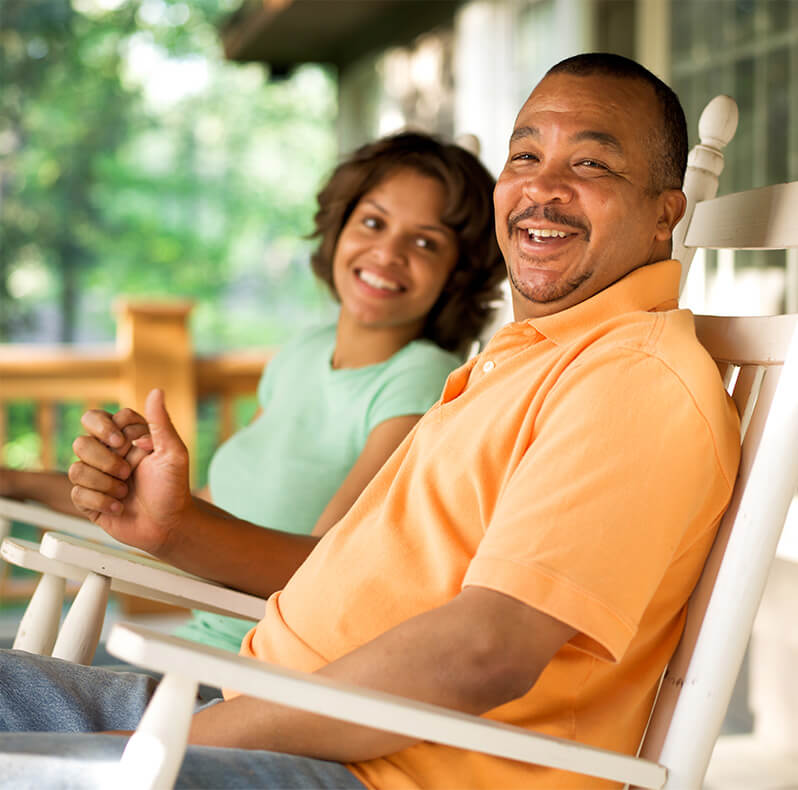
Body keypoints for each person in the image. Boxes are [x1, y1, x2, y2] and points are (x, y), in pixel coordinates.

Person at [0, 53, 741, 790]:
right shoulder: (523, 362)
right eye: (525, 155)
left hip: (382, 771)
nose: (542, 187)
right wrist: (171, 527)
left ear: (663, 215)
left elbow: (487, 651)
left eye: (592, 164)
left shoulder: (631, 379)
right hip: (266, 710)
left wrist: (158, 744)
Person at [0, 132, 505, 654]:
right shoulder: (304, 353)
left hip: (253, 673)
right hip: (193, 649)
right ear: (339, 229)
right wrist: (21, 482)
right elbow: (203, 509)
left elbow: (331, 572)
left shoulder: (423, 379)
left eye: (425, 243)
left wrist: (171, 527)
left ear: (457, 275)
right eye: (373, 223)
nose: (388, 252)